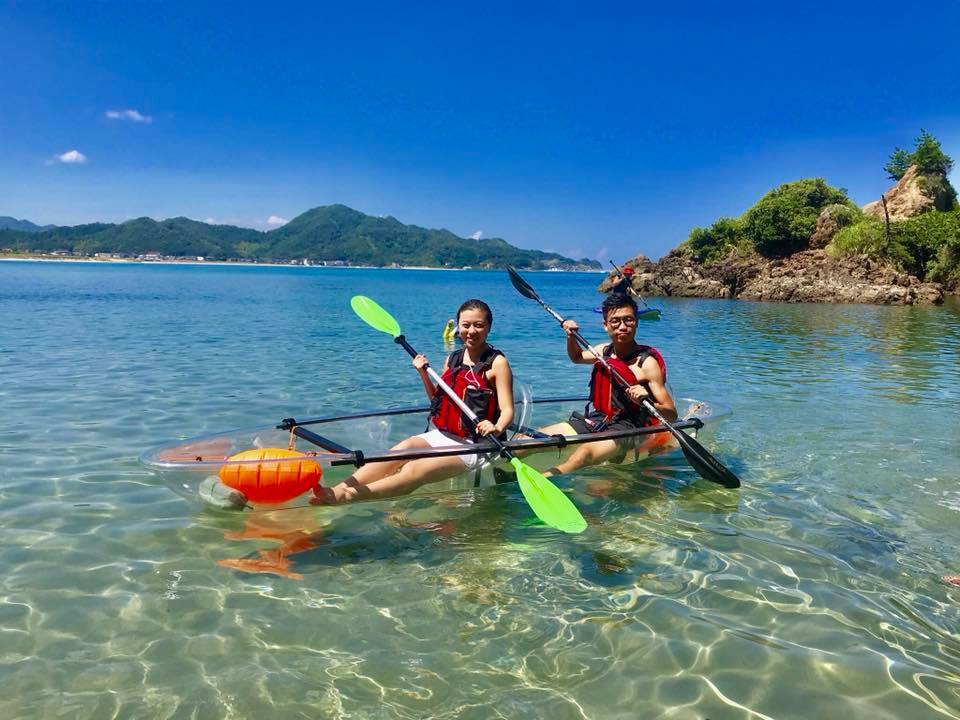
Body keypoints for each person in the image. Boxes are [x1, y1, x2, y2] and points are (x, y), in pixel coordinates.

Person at [312, 299, 514, 504]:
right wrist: (423, 374)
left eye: (478, 325)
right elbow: (438, 401)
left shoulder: (497, 363)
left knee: (413, 469)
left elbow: (507, 411)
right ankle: (339, 488)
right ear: (458, 327)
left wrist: (496, 427)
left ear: (489, 327)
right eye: (466, 325)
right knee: (402, 449)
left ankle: (348, 496)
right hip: (445, 434)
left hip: (477, 445)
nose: (471, 331)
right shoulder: (453, 358)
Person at [531, 292, 676, 477]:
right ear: (605, 325)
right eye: (615, 321)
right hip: (599, 418)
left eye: (628, 320)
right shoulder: (603, 351)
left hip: (630, 426)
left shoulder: (646, 364)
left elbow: (671, 414)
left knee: (584, 454)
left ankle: (540, 482)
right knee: (533, 439)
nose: (622, 326)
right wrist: (571, 336)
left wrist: (645, 400)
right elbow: (576, 357)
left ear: (636, 322)